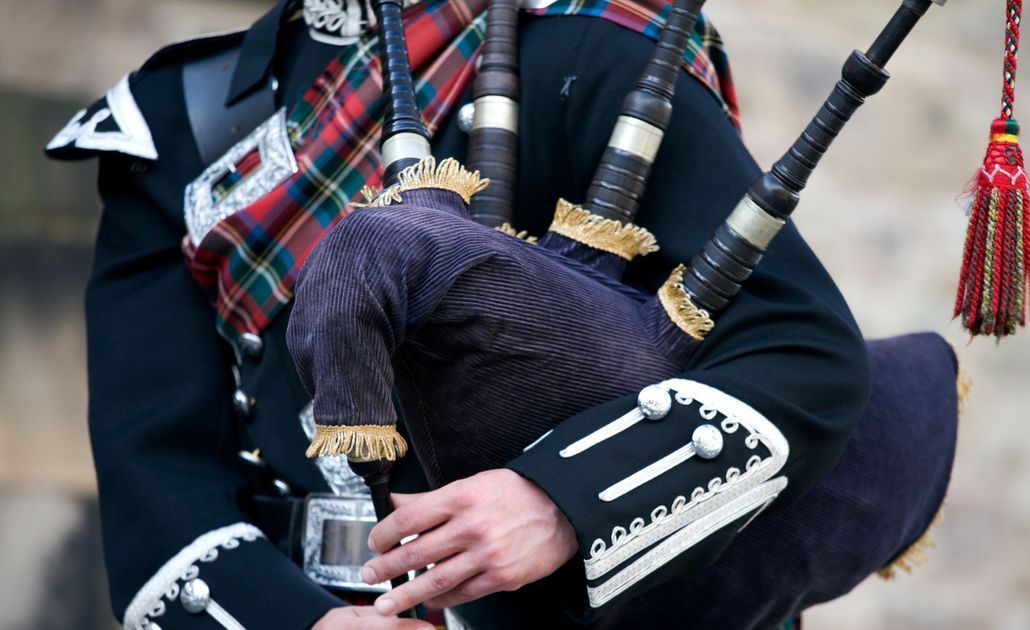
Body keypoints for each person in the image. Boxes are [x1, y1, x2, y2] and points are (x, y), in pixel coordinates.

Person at [47, 1, 878, 627]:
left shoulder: (597, 51)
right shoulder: (174, 121)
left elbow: (800, 355)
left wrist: (559, 500)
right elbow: (153, 472)